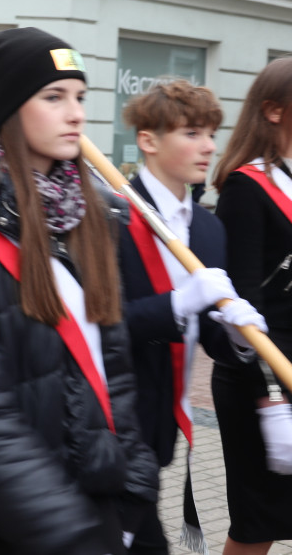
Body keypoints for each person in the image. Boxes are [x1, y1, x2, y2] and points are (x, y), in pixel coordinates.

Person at [0, 27, 158, 554]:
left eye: (81, 97)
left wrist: (134, 494)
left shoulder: (91, 220)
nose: (76, 114)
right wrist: (73, 534)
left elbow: (115, 375)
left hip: (87, 498)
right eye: (54, 97)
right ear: (13, 108)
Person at [117, 80, 266, 553]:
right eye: (192, 133)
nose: (208, 147)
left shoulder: (207, 227)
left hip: (161, 427)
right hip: (104, 422)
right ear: (148, 140)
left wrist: (240, 338)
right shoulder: (109, 217)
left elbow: (213, 344)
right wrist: (177, 304)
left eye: (211, 134)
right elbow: (97, 327)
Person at [211, 57, 292, 555]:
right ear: (275, 111)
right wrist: (273, 394)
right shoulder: (246, 187)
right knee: (258, 521)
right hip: (260, 379)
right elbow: (244, 303)